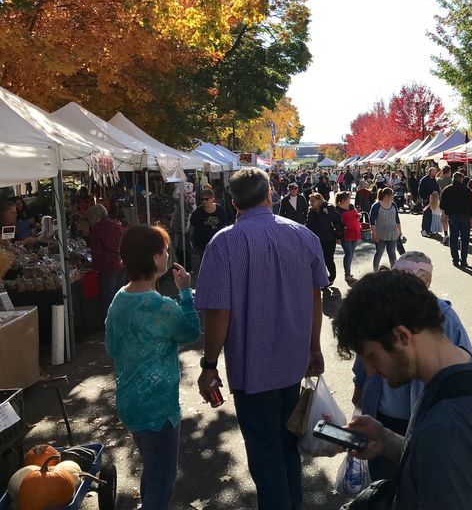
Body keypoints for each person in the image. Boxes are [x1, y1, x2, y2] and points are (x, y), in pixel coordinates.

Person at [194, 168, 328, 510]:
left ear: (234, 202)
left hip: (252, 369)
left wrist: (209, 365)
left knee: (265, 454)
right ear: (270, 195)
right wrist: (314, 347)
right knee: (287, 446)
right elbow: (317, 297)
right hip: (294, 361)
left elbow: (218, 312)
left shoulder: (223, 243)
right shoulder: (303, 235)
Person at [333, 270, 472, 510]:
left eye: (372, 357)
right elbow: (433, 463)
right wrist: (386, 438)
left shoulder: (448, 426)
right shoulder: (466, 367)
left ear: (401, 336)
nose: (370, 371)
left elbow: (443, 453)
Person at [351, 252, 472, 481]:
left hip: (417, 417)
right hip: (384, 417)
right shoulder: (383, 312)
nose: (372, 369)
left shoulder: (443, 317)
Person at [105, 225, 199, 510]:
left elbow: (110, 346)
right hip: (158, 408)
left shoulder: (119, 300)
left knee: (153, 469)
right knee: (162, 484)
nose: (168, 254)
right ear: (156, 258)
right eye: (165, 250)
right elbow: (190, 332)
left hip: (129, 402)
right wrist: (186, 294)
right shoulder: (161, 306)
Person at [86, 204, 126, 315]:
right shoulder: (117, 224)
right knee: (120, 291)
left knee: (108, 295)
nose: (89, 222)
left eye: (89, 218)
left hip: (108, 265)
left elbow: (96, 252)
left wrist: (96, 267)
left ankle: (110, 320)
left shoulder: (97, 229)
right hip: (121, 262)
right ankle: (122, 316)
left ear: (96, 216)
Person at [440, 172, 472, 267]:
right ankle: (464, 260)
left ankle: (455, 260)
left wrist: (448, 210)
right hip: (465, 216)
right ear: (461, 179)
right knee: (465, 239)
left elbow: (442, 205)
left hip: (453, 216)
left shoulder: (447, 189)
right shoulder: (466, 190)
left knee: (453, 238)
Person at [306, 192, 342, 286]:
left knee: (328, 259)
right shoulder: (311, 211)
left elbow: (338, 219)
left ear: (319, 200)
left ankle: (332, 276)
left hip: (329, 239)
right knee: (319, 260)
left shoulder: (328, 207)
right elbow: (309, 225)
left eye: (312, 201)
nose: (311, 203)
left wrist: (328, 213)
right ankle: (323, 278)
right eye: (310, 201)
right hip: (316, 240)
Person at [369, 187, 401, 272]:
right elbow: (372, 221)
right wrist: (374, 233)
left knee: (392, 253)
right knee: (379, 252)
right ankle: (375, 271)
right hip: (380, 234)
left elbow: (397, 218)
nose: (392, 197)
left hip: (392, 234)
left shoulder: (393, 204)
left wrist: (399, 230)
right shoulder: (376, 206)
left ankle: (394, 271)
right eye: (391, 195)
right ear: (386, 196)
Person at [189, 190, 227, 260]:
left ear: (212, 199)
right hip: (203, 244)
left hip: (217, 242)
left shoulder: (220, 210)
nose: (204, 201)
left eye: (206, 199)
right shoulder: (198, 212)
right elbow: (192, 226)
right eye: (202, 199)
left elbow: (224, 224)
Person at [335, 191, 361, 284]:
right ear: (343, 200)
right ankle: (347, 274)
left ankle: (348, 272)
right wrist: (337, 237)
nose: (350, 200)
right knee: (348, 254)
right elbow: (337, 225)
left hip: (355, 232)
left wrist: (358, 216)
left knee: (351, 253)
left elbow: (355, 215)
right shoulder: (337, 209)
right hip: (345, 234)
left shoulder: (351, 206)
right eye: (348, 198)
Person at [418, 167, 440, 235]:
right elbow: (420, 190)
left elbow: (437, 189)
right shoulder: (424, 180)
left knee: (432, 215)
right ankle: (424, 229)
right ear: (430, 172)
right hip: (427, 200)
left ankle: (430, 229)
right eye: (434, 171)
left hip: (434, 200)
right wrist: (424, 198)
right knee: (426, 215)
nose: (435, 173)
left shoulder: (434, 180)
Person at [436, 166, 453, 244]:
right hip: (453, 203)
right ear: (449, 171)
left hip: (444, 203)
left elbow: (436, 176)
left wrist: (440, 171)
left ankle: (446, 234)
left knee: (443, 220)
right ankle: (453, 234)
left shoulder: (440, 180)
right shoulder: (453, 180)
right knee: (452, 220)